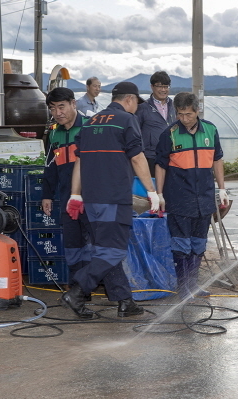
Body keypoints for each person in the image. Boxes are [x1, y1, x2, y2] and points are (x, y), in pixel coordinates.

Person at [61, 81, 159, 318]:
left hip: (91, 200)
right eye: (136, 103)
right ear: (129, 100)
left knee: (105, 251)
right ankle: (76, 290)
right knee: (112, 252)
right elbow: (137, 158)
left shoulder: (90, 122)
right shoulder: (126, 120)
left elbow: (80, 161)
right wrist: (152, 192)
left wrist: (75, 194)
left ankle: (125, 301)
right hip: (114, 198)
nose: (136, 108)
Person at [155, 92, 229, 300]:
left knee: (198, 243)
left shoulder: (211, 130)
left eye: (188, 114)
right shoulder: (169, 134)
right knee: (181, 244)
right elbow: (160, 166)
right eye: (180, 114)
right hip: (178, 197)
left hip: (204, 198)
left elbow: (217, 160)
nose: (184, 119)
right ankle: (183, 287)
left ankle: (193, 285)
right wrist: (159, 194)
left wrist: (221, 188)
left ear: (197, 111)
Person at [42, 87, 91, 287]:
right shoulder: (54, 135)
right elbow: (50, 168)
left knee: (92, 245)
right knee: (72, 246)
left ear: (73, 104)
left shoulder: (90, 127)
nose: (57, 113)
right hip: (66, 199)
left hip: (91, 199)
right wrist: (47, 195)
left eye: (61, 107)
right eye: (52, 109)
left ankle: (89, 286)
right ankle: (77, 288)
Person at [135, 71, 177, 176]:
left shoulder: (174, 106)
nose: (163, 90)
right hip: (151, 157)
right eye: (159, 86)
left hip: (172, 156)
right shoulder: (143, 107)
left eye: (166, 86)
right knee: (153, 188)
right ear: (152, 87)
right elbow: (135, 132)